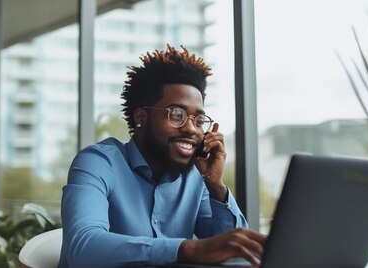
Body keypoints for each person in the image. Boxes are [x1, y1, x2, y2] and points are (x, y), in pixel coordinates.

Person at [58, 45, 265, 268]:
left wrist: (215, 186)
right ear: (141, 117)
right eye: (177, 114)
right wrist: (187, 248)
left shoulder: (195, 177)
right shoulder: (98, 162)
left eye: (198, 120)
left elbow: (237, 255)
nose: (192, 129)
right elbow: (83, 247)